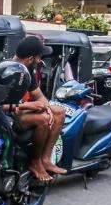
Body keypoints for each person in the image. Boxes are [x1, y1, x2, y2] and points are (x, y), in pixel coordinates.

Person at [10, 36, 68, 181]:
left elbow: (39, 96)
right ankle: (35, 162)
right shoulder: (9, 71)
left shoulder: (27, 70)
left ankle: (46, 159)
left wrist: (45, 106)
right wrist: (29, 105)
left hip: (19, 110)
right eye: (39, 57)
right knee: (43, 119)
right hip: (6, 115)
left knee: (59, 113)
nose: (40, 61)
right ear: (30, 58)